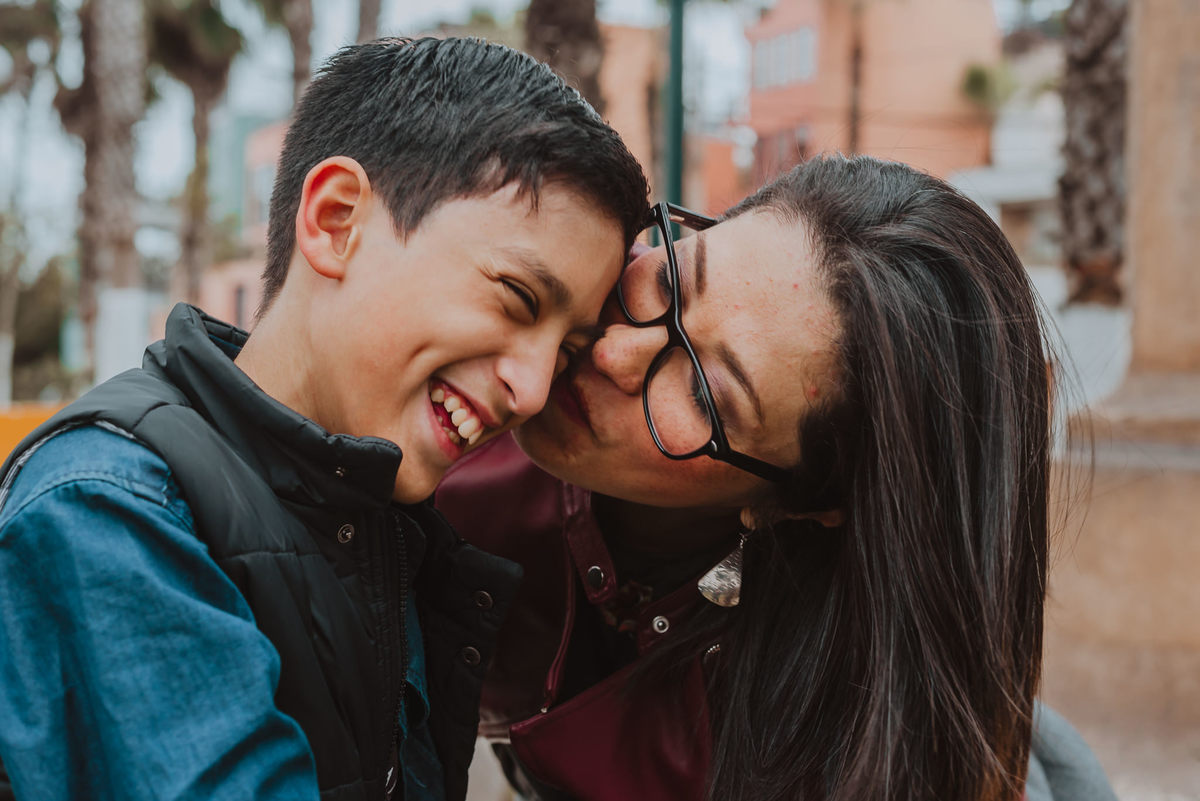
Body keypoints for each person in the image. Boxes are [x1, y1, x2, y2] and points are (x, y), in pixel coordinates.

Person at [0, 37, 648, 801]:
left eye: (566, 350)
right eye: (516, 298)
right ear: (337, 220)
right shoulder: (113, 510)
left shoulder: (382, 523)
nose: (533, 389)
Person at [438, 154, 1066, 801]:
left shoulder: (834, 758)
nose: (612, 352)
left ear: (800, 504)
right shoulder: (442, 358)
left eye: (707, 397)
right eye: (671, 282)